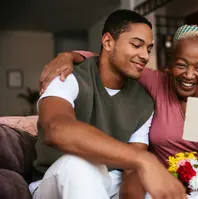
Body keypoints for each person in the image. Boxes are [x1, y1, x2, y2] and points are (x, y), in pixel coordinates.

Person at [40, 24, 198, 199]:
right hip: (180, 180)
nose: (189, 75)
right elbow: (110, 58)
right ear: (169, 63)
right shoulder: (154, 83)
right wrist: (69, 55)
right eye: (181, 65)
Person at [31, 9, 188, 199]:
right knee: (79, 166)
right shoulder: (67, 77)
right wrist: (143, 159)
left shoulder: (144, 103)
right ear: (107, 42)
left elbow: (132, 171)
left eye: (148, 48)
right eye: (136, 45)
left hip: (113, 183)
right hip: (59, 178)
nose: (145, 56)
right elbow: (57, 130)